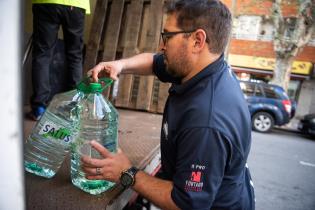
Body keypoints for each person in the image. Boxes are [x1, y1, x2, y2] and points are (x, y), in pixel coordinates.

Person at [82, 0, 255, 209]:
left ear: (197, 41)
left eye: (167, 36)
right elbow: (155, 62)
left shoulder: (206, 121)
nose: (161, 46)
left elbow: (185, 204)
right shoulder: (204, 66)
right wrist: (120, 65)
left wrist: (127, 174)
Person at [28, 0, 90, 120]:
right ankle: (74, 108)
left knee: (43, 54)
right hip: (76, 4)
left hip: (47, 3)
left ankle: (39, 108)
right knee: (75, 56)